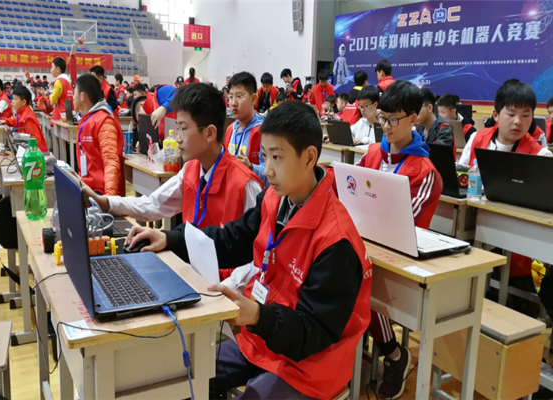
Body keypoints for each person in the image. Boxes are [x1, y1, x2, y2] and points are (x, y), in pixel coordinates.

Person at [124, 100, 372, 400]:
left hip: (309, 365)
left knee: (243, 390)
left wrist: (257, 316)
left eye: (277, 157)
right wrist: (171, 239)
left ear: (309, 157)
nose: (268, 170)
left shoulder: (337, 242)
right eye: (264, 156)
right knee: (180, 377)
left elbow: (314, 332)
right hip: (263, 341)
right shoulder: (274, 199)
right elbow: (233, 239)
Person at [84, 83, 263, 288]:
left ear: (210, 133)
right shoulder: (191, 170)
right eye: (177, 128)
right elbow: (154, 205)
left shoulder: (246, 184)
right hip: (188, 276)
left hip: (224, 290)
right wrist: (106, 202)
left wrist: (223, 290)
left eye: (183, 129)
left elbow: (256, 259)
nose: (177, 138)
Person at [357, 80, 443, 400]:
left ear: (413, 118)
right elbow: (352, 190)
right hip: (369, 244)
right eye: (382, 117)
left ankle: (394, 354)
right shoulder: (373, 154)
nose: (386, 126)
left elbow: (402, 220)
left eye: (393, 119)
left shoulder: (424, 171)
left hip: (403, 256)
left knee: (360, 280)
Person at [460, 81, 552, 316]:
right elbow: (461, 177)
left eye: (526, 115)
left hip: (517, 239)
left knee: (516, 305)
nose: (518, 122)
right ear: (496, 115)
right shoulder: (477, 139)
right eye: (511, 114)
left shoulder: (540, 155)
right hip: (472, 230)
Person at [73, 74, 125, 196]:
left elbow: (111, 161)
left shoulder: (104, 122)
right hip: (87, 187)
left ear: (82, 96)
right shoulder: (86, 120)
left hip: (100, 193)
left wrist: (109, 199)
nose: (72, 97)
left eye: (74, 92)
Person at [224, 72, 267, 186]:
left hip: (255, 192)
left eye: (239, 96)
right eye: (230, 97)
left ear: (253, 99)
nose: (233, 103)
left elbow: (272, 171)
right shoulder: (230, 130)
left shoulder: (263, 132)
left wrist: (251, 167)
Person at [0, 86, 48, 152]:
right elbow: (16, 120)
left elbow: (36, 141)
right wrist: (6, 121)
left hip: (37, 154)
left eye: (15, 99)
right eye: (12, 99)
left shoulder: (28, 118)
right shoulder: (22, 113)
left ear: (23, 102)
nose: (12, 101)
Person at [50, 57, 74, 123]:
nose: (51, 70)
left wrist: (50, 95)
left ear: (58, 69)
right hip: (70, 113)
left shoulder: (59, 81)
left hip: (61, 114)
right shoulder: (67, 81)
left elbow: (53, 100)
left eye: (52, 67)